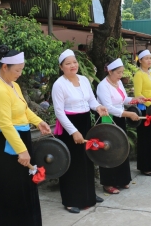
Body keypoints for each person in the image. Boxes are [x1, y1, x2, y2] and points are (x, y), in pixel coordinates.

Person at [0, 45, 51, 226]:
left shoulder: (13, 85)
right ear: (5, 67)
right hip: (7, 145)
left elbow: (24, 110)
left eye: (21, 69)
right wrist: (21, 150)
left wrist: (38, 121)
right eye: (17, 70)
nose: (20, 74)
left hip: (20, 140)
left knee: (24, 188)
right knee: (11, 191)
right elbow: (6, 124)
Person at [52, 49, 109, 213]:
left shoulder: (84, 79)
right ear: (61, 67)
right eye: (68, 63)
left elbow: (91, 100)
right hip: (69, 126)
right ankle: (70, 200)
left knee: (87, 159)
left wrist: (98, 107)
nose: (72, 66)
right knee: (72, 163)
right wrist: (73, 132)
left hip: (84, 122)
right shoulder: (59, 85)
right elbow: (59, 112)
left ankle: (88, 194)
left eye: (74, 62)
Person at [96, 57, 142, 194]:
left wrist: (134, 100)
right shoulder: (103, 86)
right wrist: (127, 114)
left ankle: (122, 179)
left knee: (121, 148)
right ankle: (108, 183)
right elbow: (108, 107)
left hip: (120, 118)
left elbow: (123, 99)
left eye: (122, 72)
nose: (121, 75)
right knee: (109, 150)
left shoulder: (119, 83)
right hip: (108, 120)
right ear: (110, 71)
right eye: (118, 73)